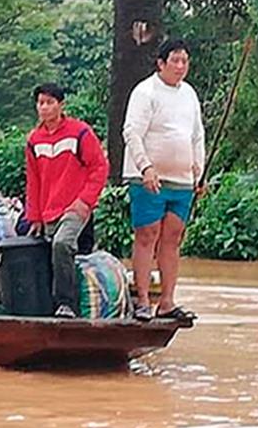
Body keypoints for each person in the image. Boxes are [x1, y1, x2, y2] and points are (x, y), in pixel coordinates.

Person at [122, 38, 206, 322]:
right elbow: (132, 132)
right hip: (148, 177)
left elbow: (197, 135)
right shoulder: (145, 92)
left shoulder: (190, 94)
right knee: (147, 235)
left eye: (185, 61)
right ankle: (143, 300)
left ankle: (168, 301)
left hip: (182, 180)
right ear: (161, 63)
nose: (181, 66)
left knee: (172, 238)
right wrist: (145, 167)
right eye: (175, 61)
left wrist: (200, 171)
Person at [24, 83, 109, 317]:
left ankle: (67, 304)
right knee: (47, 252)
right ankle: (48, 305)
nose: (44, 107)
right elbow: (34, 181)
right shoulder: (34, 140)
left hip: (75, 207)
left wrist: (85, 201)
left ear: (61, 106)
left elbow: (99, 167)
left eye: (50, 102)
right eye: (41, 103)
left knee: (62, 244)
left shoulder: (80, 132)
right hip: (49, 210)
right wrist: (35, 217)